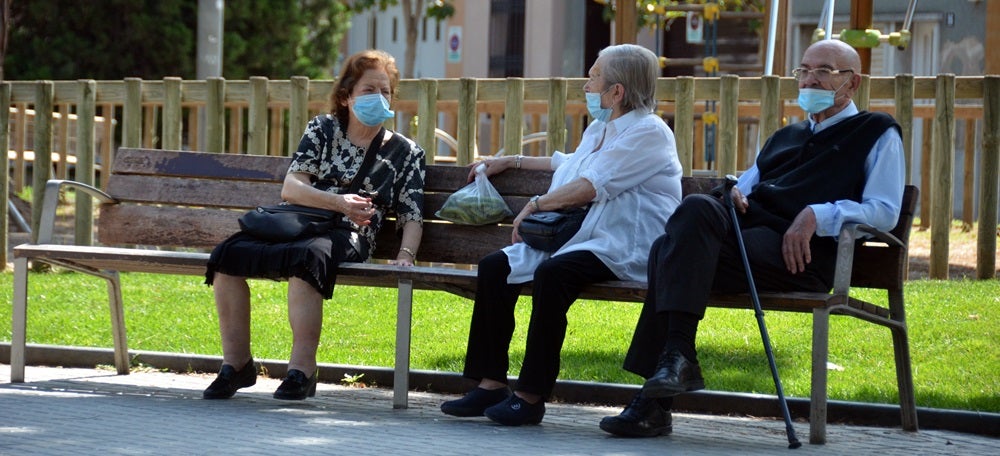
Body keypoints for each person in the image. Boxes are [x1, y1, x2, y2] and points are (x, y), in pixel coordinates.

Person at [599, 39, 905, 438]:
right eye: (804, 70)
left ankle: (656, 399)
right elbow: (744, 187)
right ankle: (674, 361)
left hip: (800, 259)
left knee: (666, 251)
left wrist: (818, 214)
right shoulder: (785, 136)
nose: (810, 78)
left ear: (853, 83)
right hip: (748, 247)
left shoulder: (876, 132)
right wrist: (733, 193)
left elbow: (884, 209)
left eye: (824, 71)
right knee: (685, 224)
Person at [439, 44, 683, 426]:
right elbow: (571, 164)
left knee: (553, 276)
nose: (586, 85)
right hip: (583, 235)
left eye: (593, 77)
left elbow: (590, 185)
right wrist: (511, 160)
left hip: (624, 245)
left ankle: (530, 396)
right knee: (494, 267)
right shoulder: (603, 128)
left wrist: (535, 204)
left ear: (616, 92)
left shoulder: (649, 133)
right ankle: (490, 385)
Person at [202, 49, 425, 401]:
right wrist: (338, 202)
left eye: (386, 92)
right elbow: (291, 188)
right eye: (369, 91)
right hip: (301, 221)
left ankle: (301, 370)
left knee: (308, 257)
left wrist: (406, 255)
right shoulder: (322, 129)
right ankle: (236, 365)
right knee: (228, 254)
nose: (379, 98)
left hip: (351, 233)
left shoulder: (406, 151)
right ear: (345, 96)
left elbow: (412, 214)